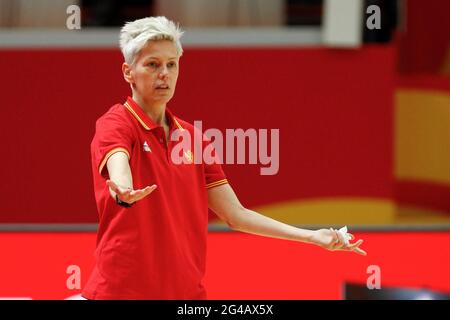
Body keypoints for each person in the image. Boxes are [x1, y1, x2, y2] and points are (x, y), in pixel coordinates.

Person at [82, 16, 366, 300]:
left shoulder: (194, 138)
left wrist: (312, 237)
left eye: (172, 64)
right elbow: (118, 163)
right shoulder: (117, 123)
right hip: (120, 294)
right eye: (153, 64)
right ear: (128, 72)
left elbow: (236, 215)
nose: (164, 74)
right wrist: (123, 187)